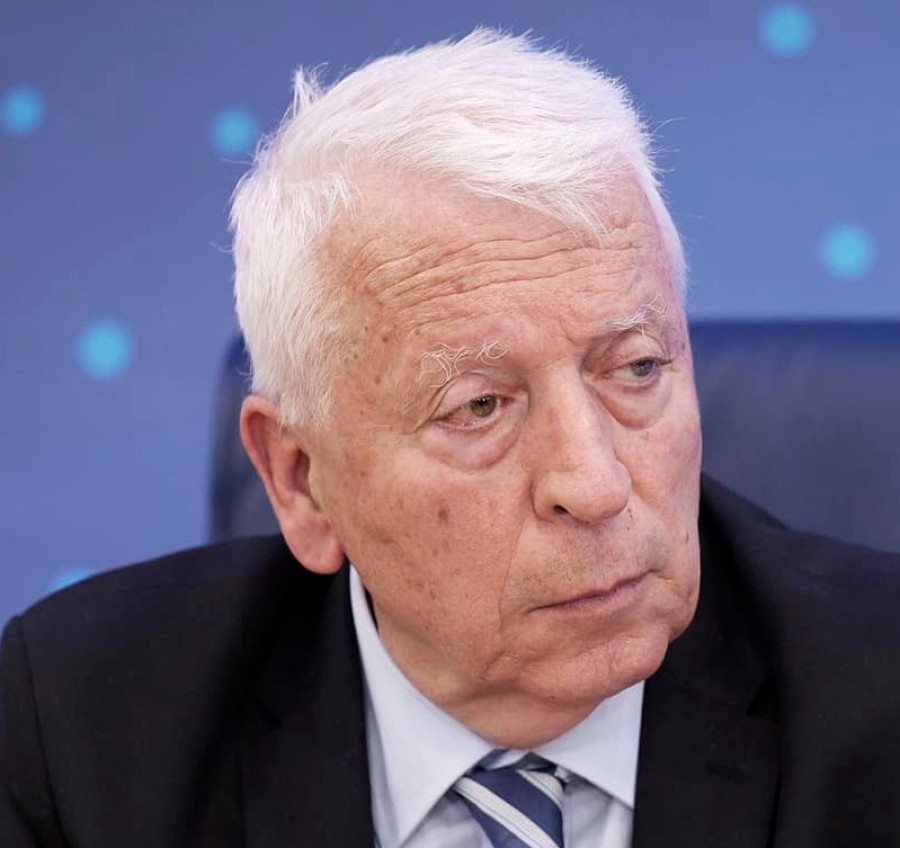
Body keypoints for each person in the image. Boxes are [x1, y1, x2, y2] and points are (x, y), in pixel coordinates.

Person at [2, 29, 899, 848]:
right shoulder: (78, 737)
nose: (595, 485)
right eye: (479, 408)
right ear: (302, 480)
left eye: (635, 368)